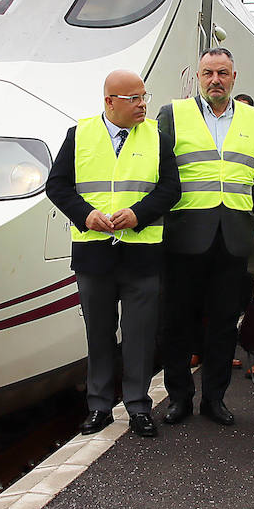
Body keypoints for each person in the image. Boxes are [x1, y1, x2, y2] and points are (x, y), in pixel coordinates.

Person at [45, 70, 180, 437]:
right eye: (133, 98)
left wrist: (139, 214)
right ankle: (100, 405)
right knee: (99, 334)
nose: (142, 104)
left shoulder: (157, 136)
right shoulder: (80, 134)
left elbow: (171, 189)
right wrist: (85, 214)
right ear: (110, 101)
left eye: (143, 96)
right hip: (94, 254)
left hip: (142, 253)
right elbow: (56, 185)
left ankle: (137, 407)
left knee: (138, 335)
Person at [156, 48, 254, 426]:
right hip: (185, 235)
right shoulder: (174, 114)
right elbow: (161, 172)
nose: (215, 80)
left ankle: (215, 399)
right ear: (198, 77)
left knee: (223, 324)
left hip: (234, 236)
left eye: (222, 73)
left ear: (234, 77)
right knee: (178, 321)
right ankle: (179, 398)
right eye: (208, 73)